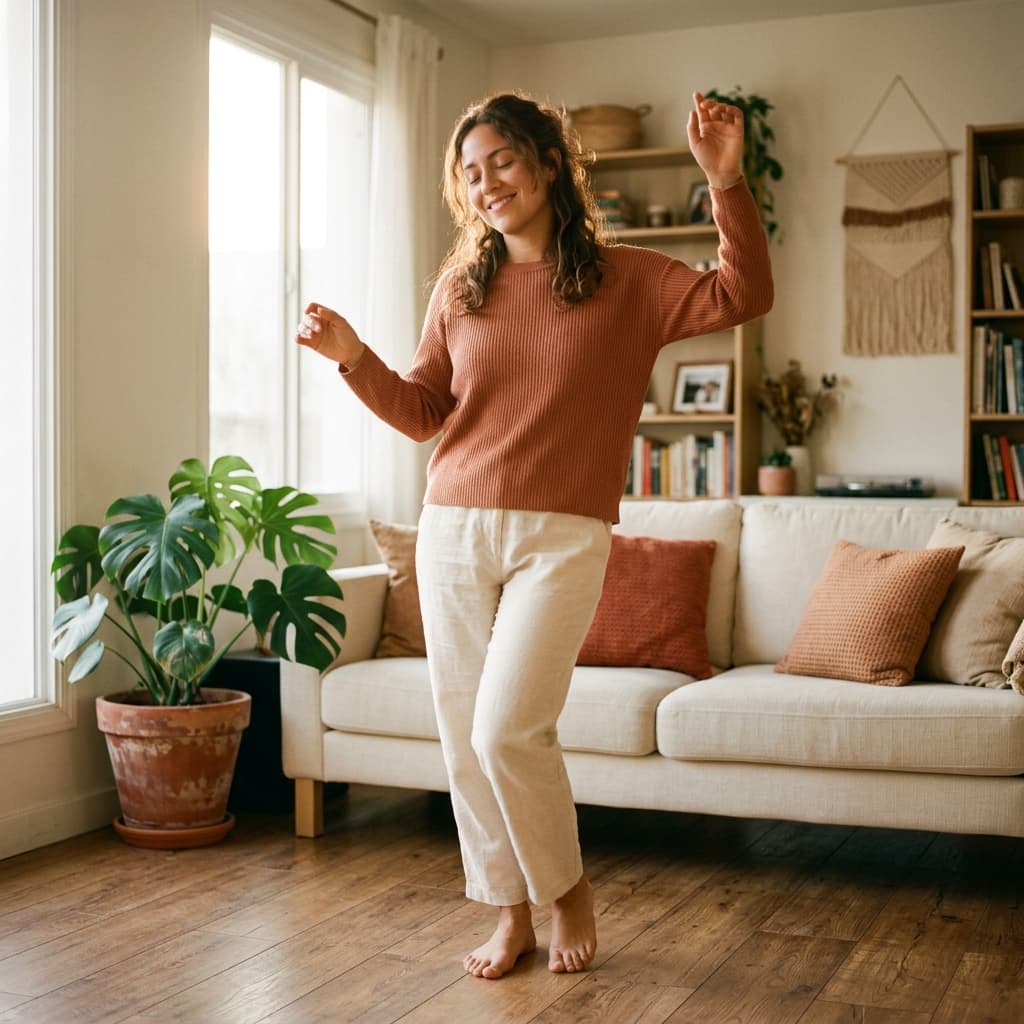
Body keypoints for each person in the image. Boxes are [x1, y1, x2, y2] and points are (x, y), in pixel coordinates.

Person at [295, 90, 772, 980]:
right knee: (461, 731)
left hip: (564, 535)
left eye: (502, 162)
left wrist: (726, 181)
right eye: (470, 174)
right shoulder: (459, 290)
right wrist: (355, 359)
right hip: (454, 529)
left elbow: (744, 292)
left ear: (549, 163)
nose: (487, 184)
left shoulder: (630, 279)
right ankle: (506, 910)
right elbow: (425, 412)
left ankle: (567, 892)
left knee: (509, 728)